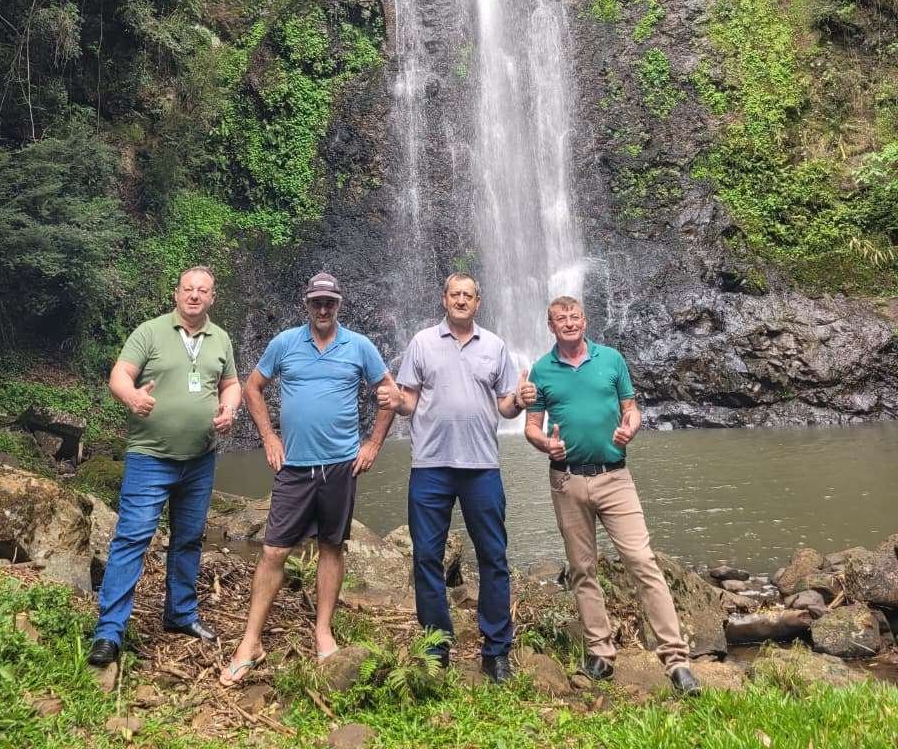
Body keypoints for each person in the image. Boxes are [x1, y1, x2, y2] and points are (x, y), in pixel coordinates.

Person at [220, 271, 400, 686]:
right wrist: (269, 437)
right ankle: (250, 642)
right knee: (273, 550)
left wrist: (373, 444)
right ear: (307, 304)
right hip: (295, 468)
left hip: (340, 466)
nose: (323, 309)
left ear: (338, 305)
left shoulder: (360, 346)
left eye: (329, 303)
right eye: (317, 302)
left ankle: (322, 631)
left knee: (331, 547)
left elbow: (389, 393)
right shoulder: (285, 343)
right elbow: (252, 387)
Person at [524, 296, 700, 695]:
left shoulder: (612, 359)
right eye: (560, 318)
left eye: (575, 316)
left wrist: (630, 426)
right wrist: (544, 444)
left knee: (642, 561)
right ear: (550, 326)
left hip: (615, 477)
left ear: (585, 321)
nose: (569, 322)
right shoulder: (541, 370)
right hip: (567, 480)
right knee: (582, 569)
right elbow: (532, 426)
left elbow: (631, 409)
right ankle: (600, 653)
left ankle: (677, 660)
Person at [386, 273, 536, 683]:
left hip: (482, 466)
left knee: (493, 556)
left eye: (468, 295)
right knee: (426, 557)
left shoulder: (495, 346)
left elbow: (505, 406)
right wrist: (397, 400)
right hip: (430, 466)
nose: (461, 300)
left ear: (478, 302)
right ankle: (437, 647)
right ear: (444, 299)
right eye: (455, 294)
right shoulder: (422, 342)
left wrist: (520, 401)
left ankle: (496, 651)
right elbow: (409, 400)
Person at [88, 266, 241, 667]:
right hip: (150, 457)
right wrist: (132, 397)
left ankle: (181, 615)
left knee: (188, 539)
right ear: (176, 294)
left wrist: (229, 409)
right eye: (188, 289)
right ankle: (109, 632)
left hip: (200, 459)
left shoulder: (220, 338)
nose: (194, 295)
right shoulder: (150, 332)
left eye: (202, 290)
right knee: (132, 539)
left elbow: (230, 383)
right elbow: (120, 375)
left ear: (212, 297)